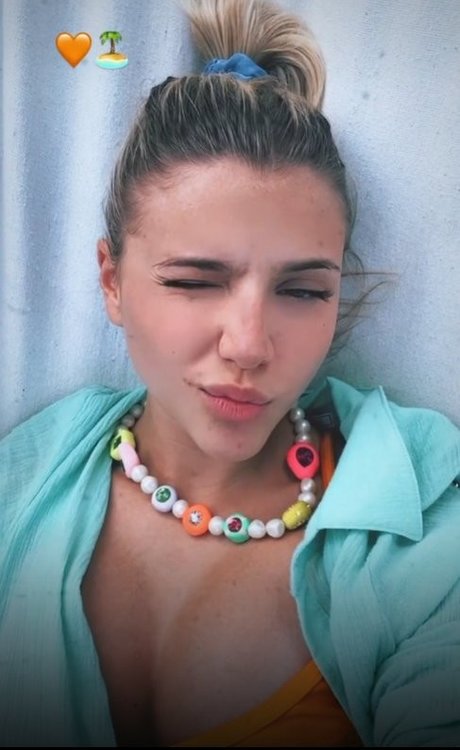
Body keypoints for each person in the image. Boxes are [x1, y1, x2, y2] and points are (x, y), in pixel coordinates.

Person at [1, 0, 459, 746]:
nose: (248, 345)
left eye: (302, 291)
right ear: (111, 281)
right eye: (194, 281)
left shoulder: (425, 544)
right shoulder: (18, 483)